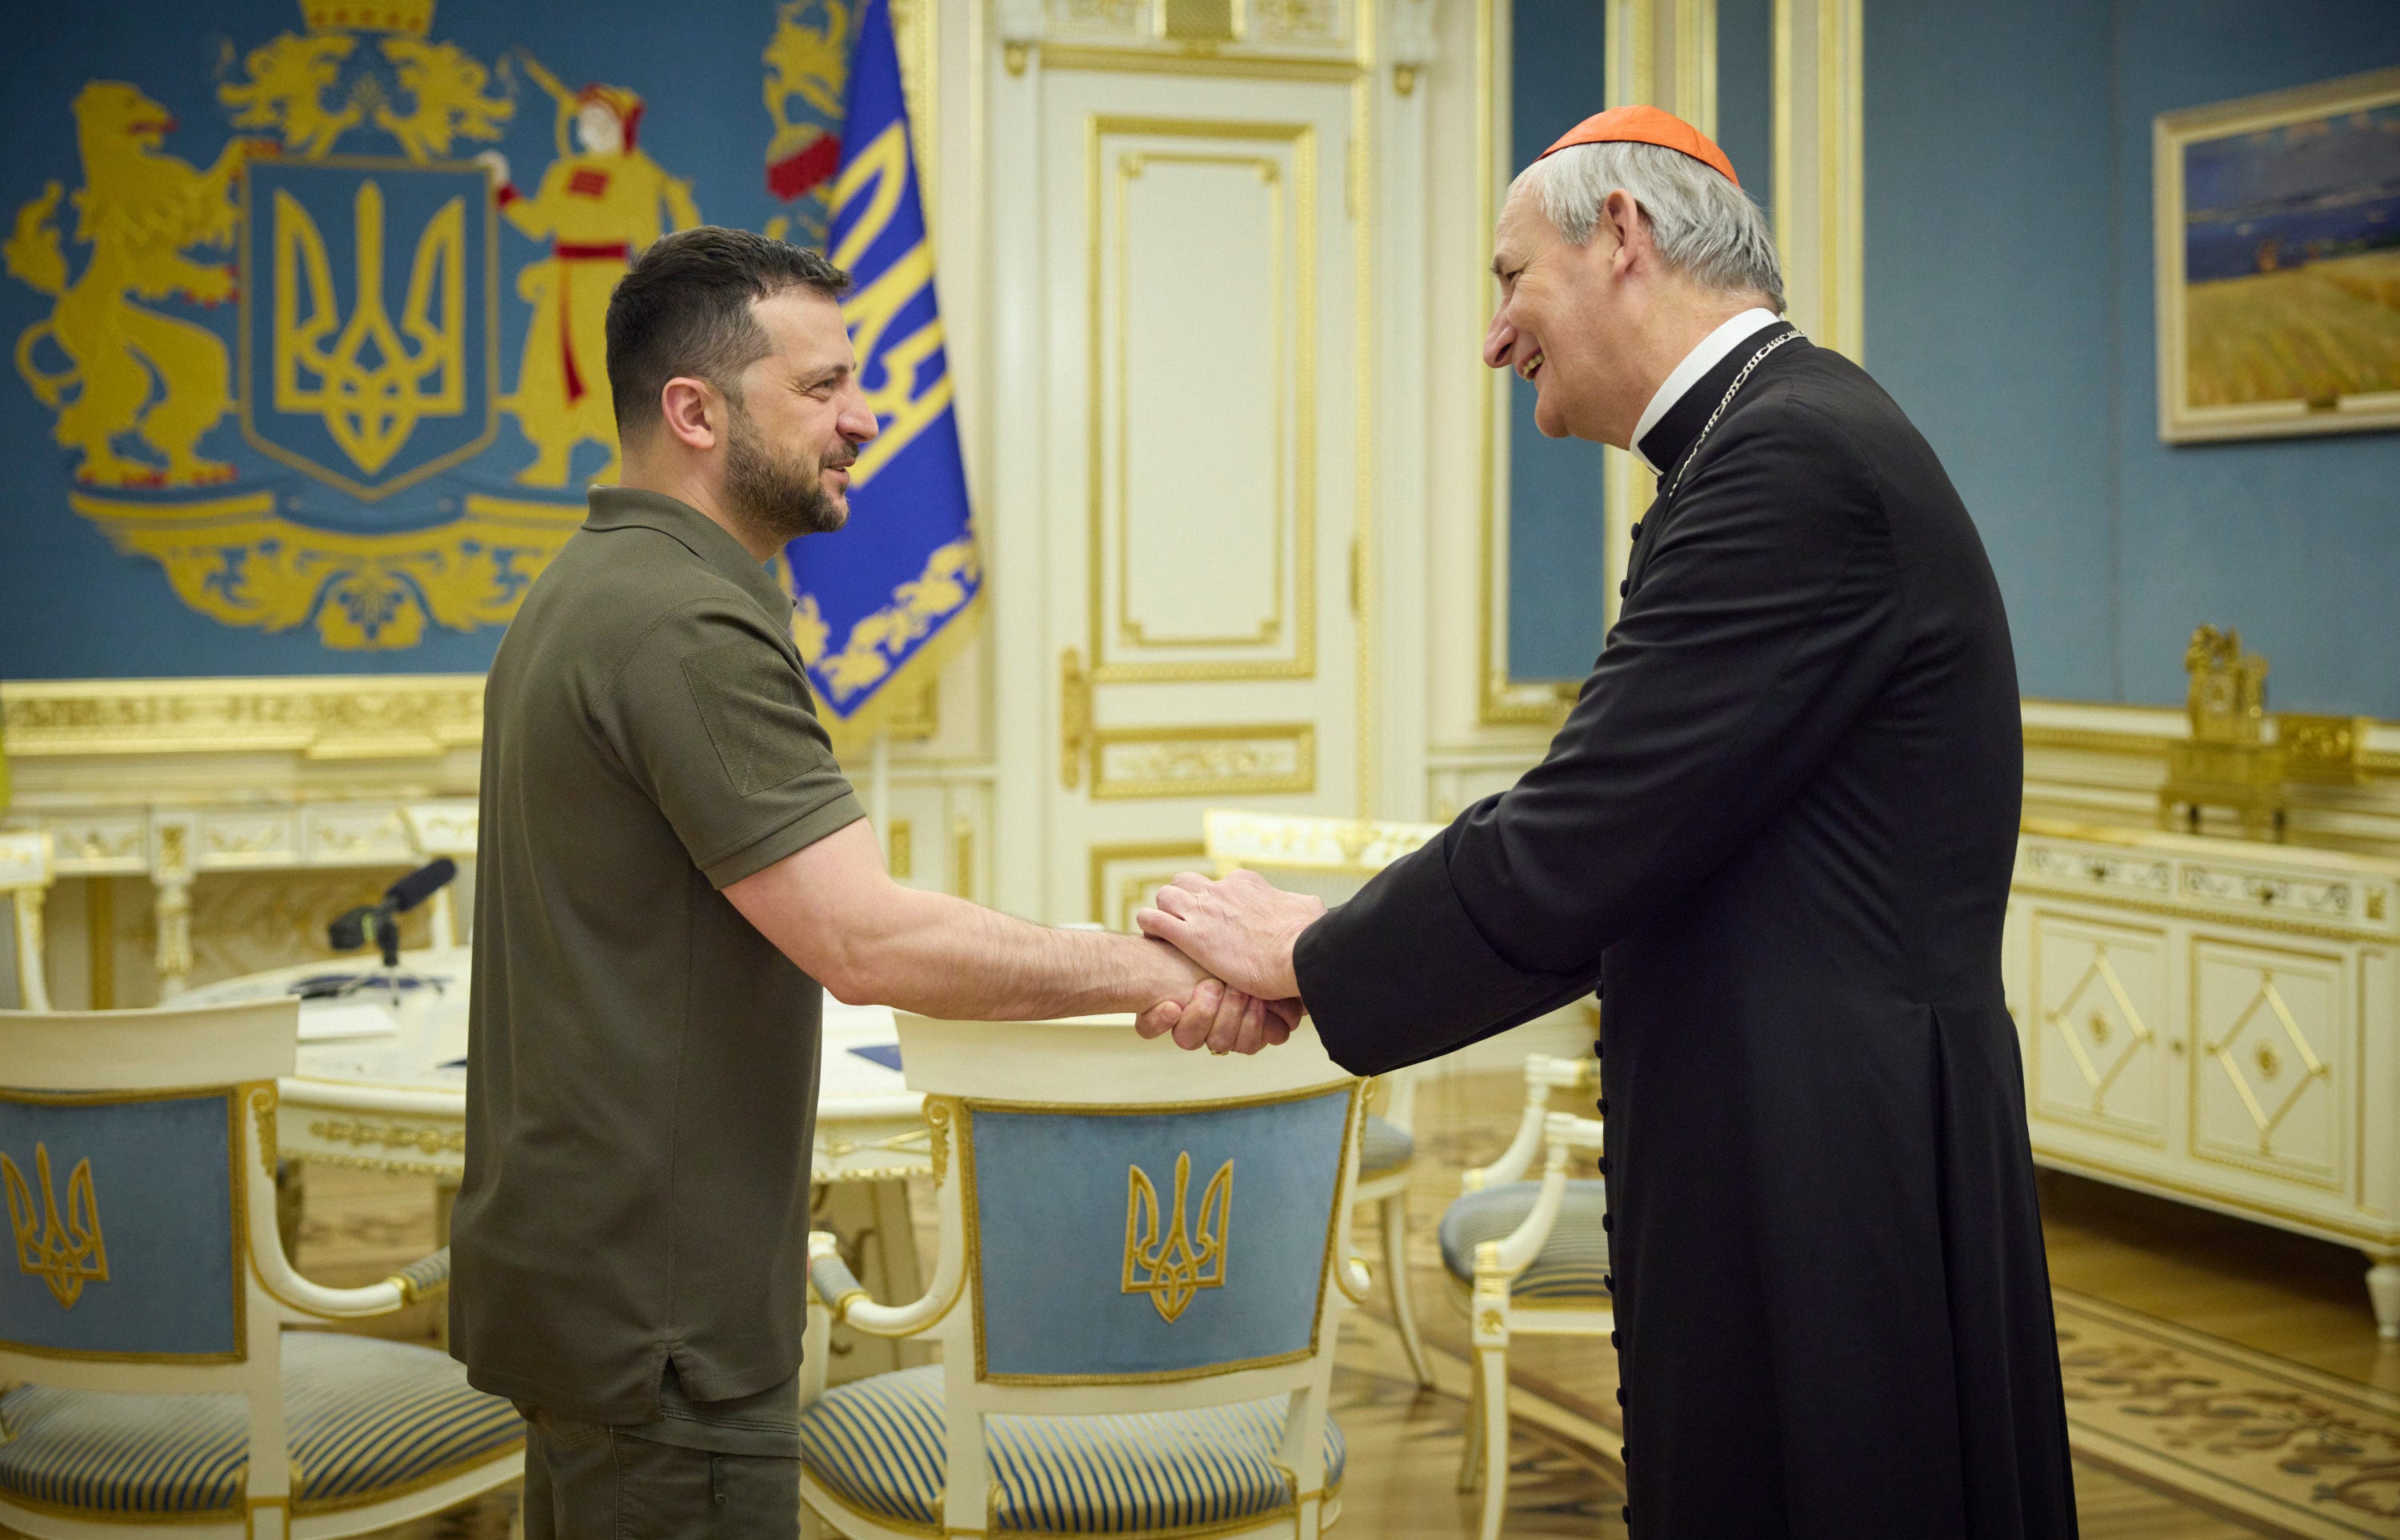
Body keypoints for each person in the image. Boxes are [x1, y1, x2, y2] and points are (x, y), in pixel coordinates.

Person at [1138, 107, 2079, 1538]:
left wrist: (1316, 951)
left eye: (1511, 277)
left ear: (1624, 237)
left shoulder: (1792, 463)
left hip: (1829, 1158)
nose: (1495, 333)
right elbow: (1632, 848)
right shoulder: (1770, 440)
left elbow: (1582, 838)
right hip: (1794, 1121)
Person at [451, 226, 1282, 1539]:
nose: (864, 416)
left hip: (584, 1281)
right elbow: (866, 941)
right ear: (696, 412)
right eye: (824, 386)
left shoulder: (587, 585)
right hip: (665, 1315)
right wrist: (1159, 968)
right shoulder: (685, 620)